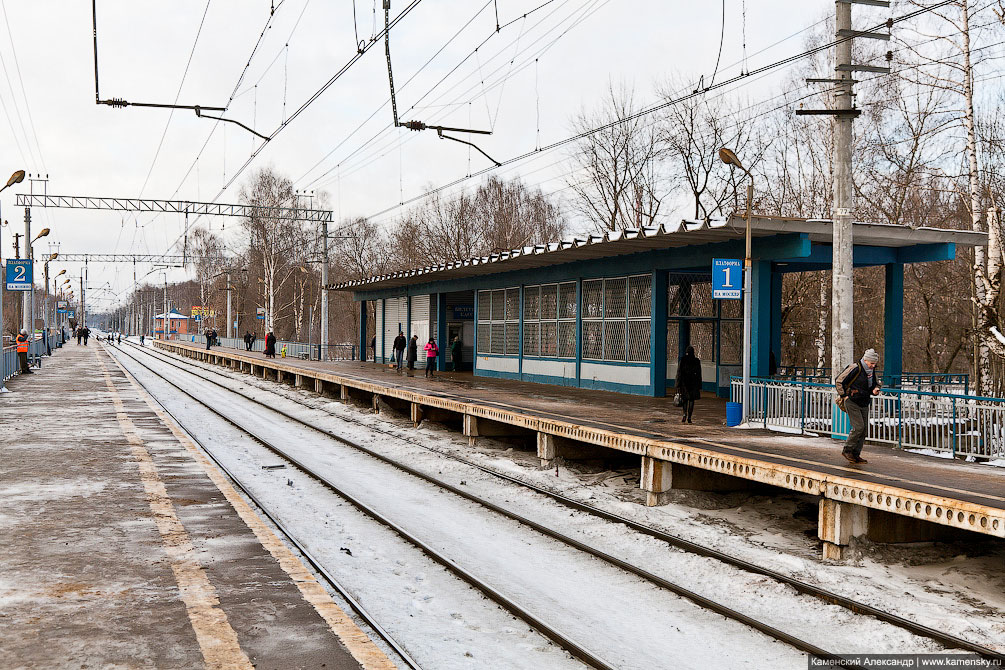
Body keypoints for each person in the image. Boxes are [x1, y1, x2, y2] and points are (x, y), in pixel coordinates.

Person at [835, 348, 882, 464]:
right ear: (865, 360)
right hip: (852, 401)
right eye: (871, 363)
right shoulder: (855, 368)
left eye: (875, 363)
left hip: (864, 402)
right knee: (859, 427)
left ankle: (856, 454)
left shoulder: (872, 371)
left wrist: (876, 389)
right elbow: (839, 381)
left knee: (864, 429)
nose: (873, 365)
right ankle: (847, 450)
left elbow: (874, 384)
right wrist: (844, 395)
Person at [675, 345, 702, 424]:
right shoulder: (696, 361)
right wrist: (699, 385)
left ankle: (684, 414)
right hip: (693, 383)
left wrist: (677, 384)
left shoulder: (683, 360)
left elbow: (679, 373)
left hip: (684, 383)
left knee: (684, 400)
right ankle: (689, 417)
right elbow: (699, 374)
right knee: (691, 400)